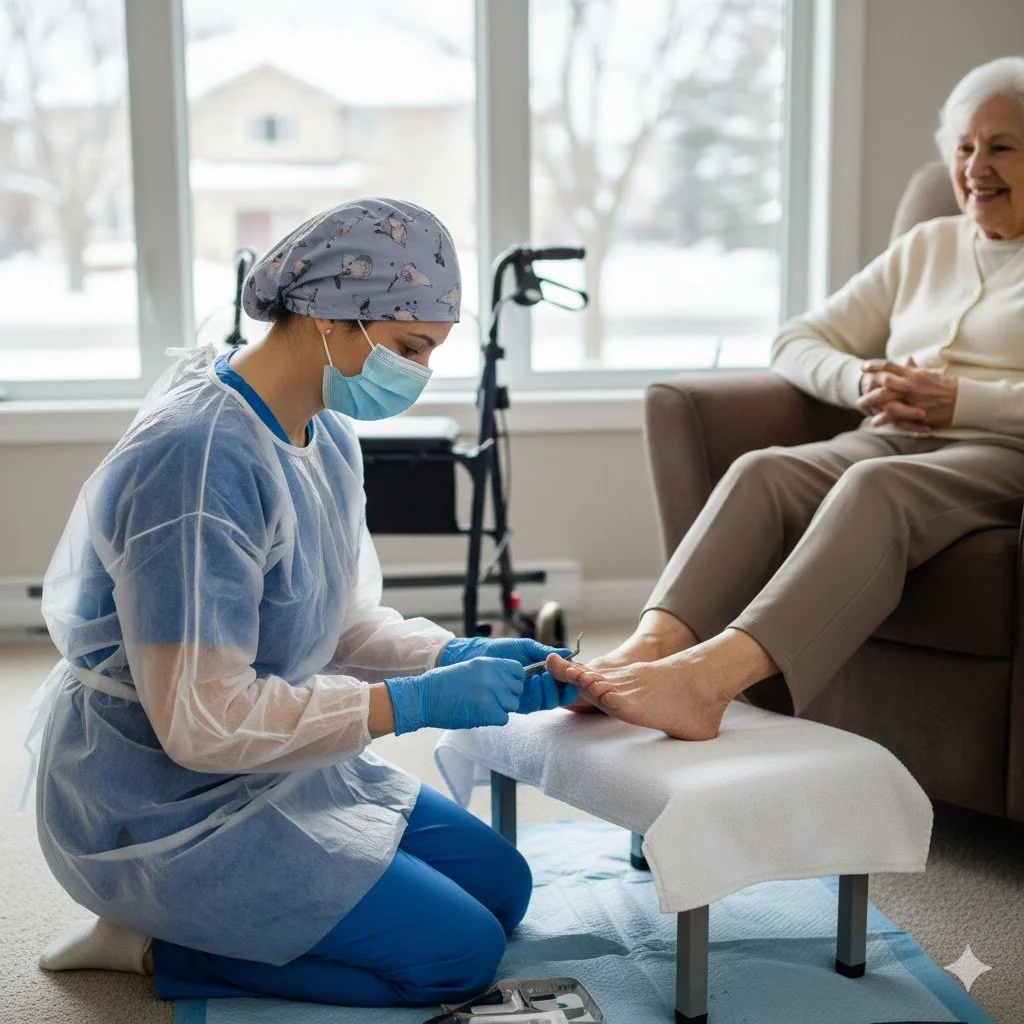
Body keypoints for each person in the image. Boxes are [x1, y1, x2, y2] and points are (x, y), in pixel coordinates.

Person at [21, 198, 576, 1007]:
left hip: (273, 764)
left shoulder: (324, 432)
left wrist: (455, 655)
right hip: (161, 806)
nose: (417, 376)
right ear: (333, 317)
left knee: (504, 887)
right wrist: (414, 704)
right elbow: (201, 723)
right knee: (457, 958)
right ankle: (143, 945)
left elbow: (337, 618)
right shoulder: (197, 463)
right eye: (410, 348)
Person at [550, 56, 1024, 740]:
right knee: (763, 472)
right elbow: (798, 340)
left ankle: (705, 684)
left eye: (1001, 147)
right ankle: (648, 650)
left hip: (1001, 451)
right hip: (894, 435)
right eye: (964, 147)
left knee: (875, 488)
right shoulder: (931, 243)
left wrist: (963, 401)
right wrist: (858, 380)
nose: (976, 167)